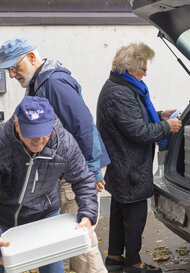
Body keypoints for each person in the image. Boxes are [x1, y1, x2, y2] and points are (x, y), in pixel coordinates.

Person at [0, 37, 110, 273]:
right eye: (7, 70)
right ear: (18, 127)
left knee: (79, 241)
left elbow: (84, 126)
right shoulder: (39, 82)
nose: (11, 75)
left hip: (79, 165)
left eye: (14, 68)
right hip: (62, 169)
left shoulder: (54, 83)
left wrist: (92, 171)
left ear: (31, 57)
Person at [96, 42, 182, 273]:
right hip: (129, 167)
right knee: (134, 218)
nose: (146, 73)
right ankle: (134, 264)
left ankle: (114, 259)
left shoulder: (121, 85)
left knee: (118, 211)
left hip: (121, 165)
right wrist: (166, 127)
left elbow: (134, 119)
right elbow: (138, 131)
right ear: (130, 68)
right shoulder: (121, 93)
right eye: (143, 68)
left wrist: (159, 114)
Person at [0, 97, 98, 273]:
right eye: (31, 133)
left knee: (53, 268)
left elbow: (83, 179)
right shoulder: (2, 142)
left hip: (44, 213)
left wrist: (88, 215)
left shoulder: (64, 144)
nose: (38, 139)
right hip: (3, 216)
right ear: (17, 125)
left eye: (44, 132)